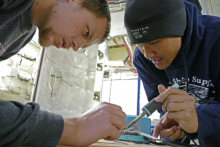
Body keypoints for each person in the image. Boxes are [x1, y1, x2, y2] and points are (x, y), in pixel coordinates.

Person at [0, 0, 126, 146]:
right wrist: (73, 129)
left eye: (83, 46)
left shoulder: (22, 36)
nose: (76, 47)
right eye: (86, 32)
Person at [124, 0, 220, 147]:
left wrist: (200, 119)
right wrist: (172, 119)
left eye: (154, 42)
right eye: (140, 45)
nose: (148, 54)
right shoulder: (143, 59)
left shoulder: (216, 39)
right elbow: (161, 106)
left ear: (178, 27)